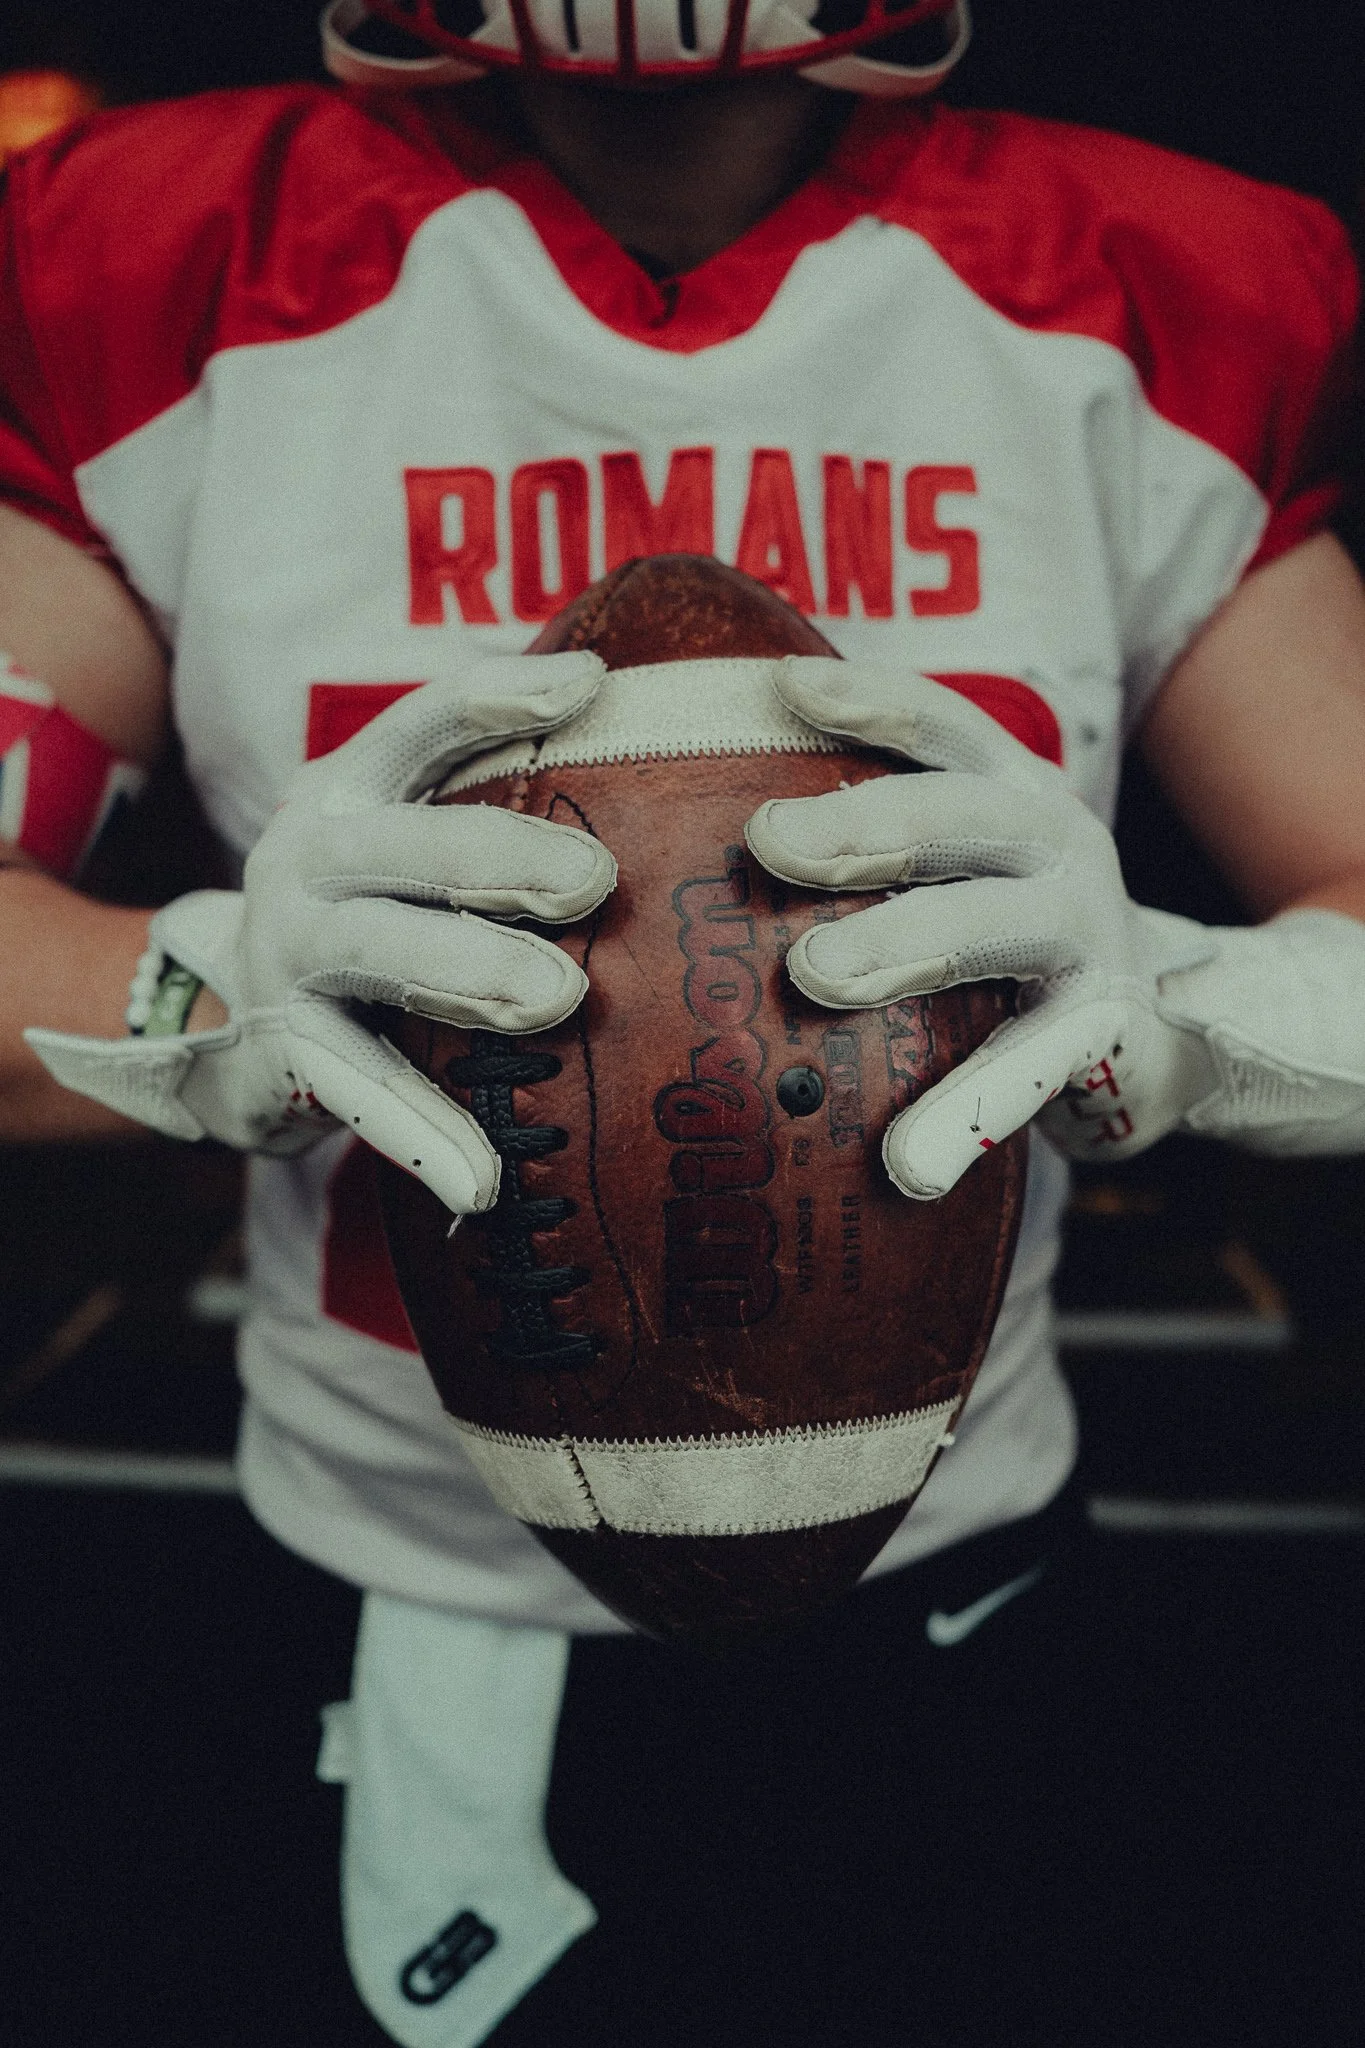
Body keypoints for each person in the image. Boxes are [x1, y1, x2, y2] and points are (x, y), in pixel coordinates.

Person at [2, 1, 1364, 2041]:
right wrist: (209, 987)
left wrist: (1174, 1008)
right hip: (381, 1604)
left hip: (958, 1581)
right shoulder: (177, 261)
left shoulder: (1125, 293)